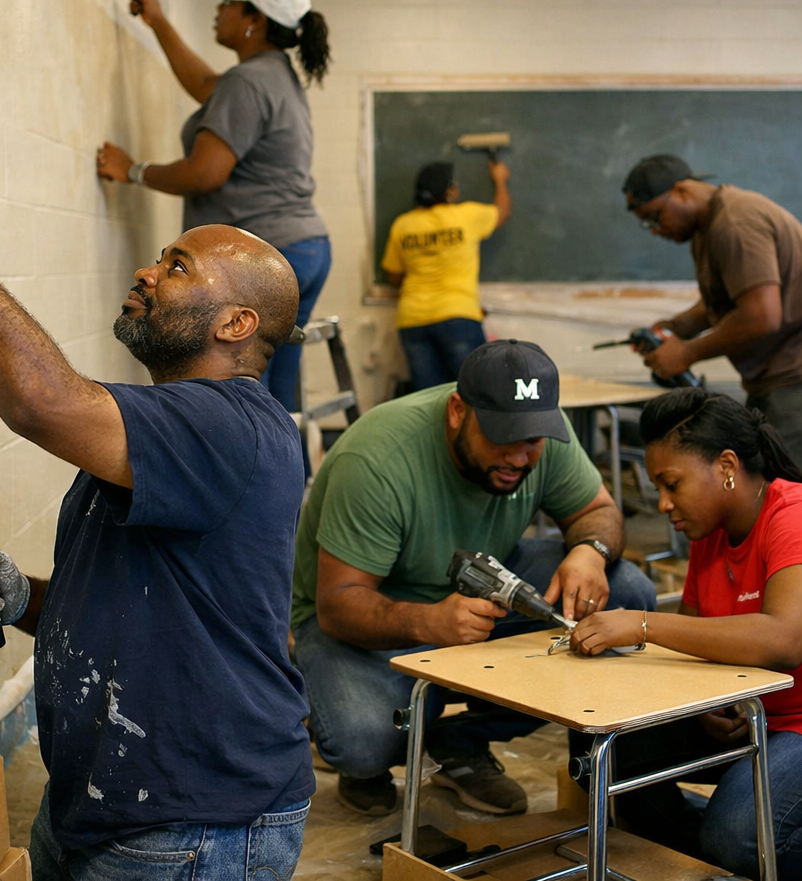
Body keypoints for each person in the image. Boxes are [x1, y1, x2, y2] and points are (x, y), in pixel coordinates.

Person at [0, 110, 315, 881]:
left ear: (237, 323)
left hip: (195, 825)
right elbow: (140, 607)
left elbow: (37, 398)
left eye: (176, 268)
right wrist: (18, 598)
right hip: (106, 807)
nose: (146, 272)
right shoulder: (172, 429)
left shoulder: (230, 428)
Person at [291, 339, 656, 817]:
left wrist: (591, 552)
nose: (521, 458)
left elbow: (599, 511)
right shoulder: (377, 461)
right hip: (368, 613)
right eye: (503, 438)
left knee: (626, 593)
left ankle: (460, 742)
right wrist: (430, 624)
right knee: (363, 741)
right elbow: (338, 604)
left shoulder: (543, 434)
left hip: (483, 583)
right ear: (458, 411)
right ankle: (363, 758)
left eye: (532, 441)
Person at [570, 389, 802, 879]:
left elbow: (785, 639)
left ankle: (734, 843)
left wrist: (642, 623)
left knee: (738, 834)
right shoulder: (709, 530)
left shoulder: (792, 516)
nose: (662, 502)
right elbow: (698, 645)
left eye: (671, 483)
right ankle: (701, 851)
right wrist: (709, 705)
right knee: (601, 747)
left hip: (798, 724)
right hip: (754, 718)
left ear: (726, 465)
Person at [97, 0, 332, 418]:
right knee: (275, 392)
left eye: (228, 3)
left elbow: (205, 173)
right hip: (304, 247)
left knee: (237, 392)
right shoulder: (272, 74)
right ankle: (287, 480)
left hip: (269, 254)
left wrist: (132, 171)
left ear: (254, 20)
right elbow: (206, 85)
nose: (218, 10)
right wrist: (158, 21)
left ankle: (254, 481)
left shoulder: (249, 81)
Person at [623, 153, 802, 465]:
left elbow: (762, 316)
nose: (655, 229)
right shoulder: (706, 229)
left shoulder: (735, 224)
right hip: (778, 380)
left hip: (794, 383)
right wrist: (674, 328)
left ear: (681, 191)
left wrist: (686, 353)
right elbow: (723, 302)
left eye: (655, 216)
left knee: (786, 492)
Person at [381, 158, 512, 391]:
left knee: (430, 398)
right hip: (457, 314)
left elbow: (393, 276)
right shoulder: (466, 216)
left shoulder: (403, 224)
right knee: (476, 392)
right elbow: (502, 212)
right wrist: (500, 180)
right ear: (449, 190)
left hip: (413, 319)